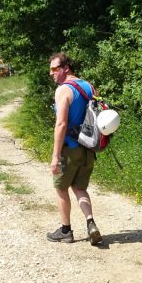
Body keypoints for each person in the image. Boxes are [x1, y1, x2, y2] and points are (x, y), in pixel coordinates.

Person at [47, 52, 103, 245]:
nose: (51, 73)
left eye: (55, 69)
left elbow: (61, 124)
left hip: (70, 148)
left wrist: (55, 156)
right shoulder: (88, 86)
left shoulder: (63, 90)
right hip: (88, 147)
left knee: (61, 187)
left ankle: (65, 231)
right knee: (79, 187)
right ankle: (91, 223)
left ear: (65, 68)